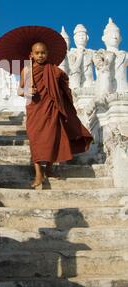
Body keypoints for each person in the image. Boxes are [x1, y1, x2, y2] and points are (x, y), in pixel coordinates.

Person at [19, 42, 93, 189]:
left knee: (53, 139)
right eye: (37, 53)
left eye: (43, 53)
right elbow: (20, 91)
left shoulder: (54, 70)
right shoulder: (27, 71)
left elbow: (64, 87)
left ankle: (49, 169)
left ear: (47, 54)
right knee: (36, 140)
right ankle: (38, 173)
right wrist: (28, 91)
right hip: (35, 109)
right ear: (31, 54)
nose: (40, 55)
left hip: (52, 108)